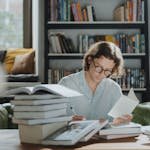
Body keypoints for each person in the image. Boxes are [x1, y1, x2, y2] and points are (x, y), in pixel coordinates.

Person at [58, 41, 132, 125]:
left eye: (107, 70)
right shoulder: (67, 84)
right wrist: (68, 120)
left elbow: (117, 122)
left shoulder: (114, 88)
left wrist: (122, 121)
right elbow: (53, 120)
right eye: (99, 67)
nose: (101, 74)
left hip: (104, 137)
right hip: (74, 136)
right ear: (89, 60)